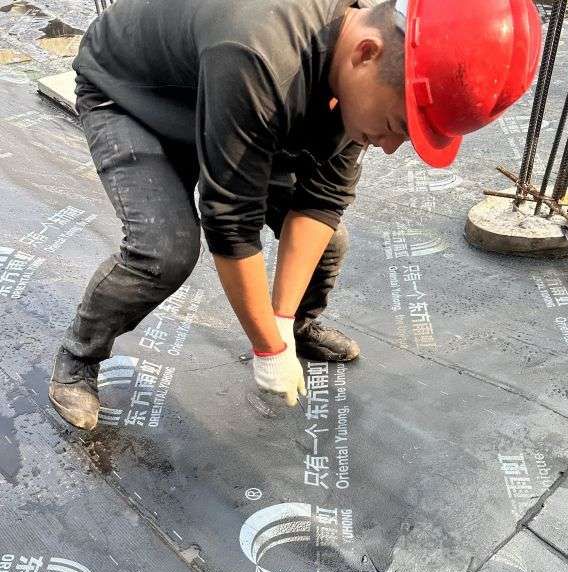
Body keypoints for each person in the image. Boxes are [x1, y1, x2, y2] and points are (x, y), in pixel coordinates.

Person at [48, 0, 541, 429]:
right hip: (135, 98)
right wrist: (266, 348)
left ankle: (299, 328)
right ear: (365, 54)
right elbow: (230, 219)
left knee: (328, 242)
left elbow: (322, 200)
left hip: (230, 99)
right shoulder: (260, 48)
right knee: (164, 250)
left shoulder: (360, 66)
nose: (391, 147)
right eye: (396, 125)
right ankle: (78, 357)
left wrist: (280, 324)